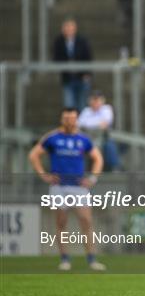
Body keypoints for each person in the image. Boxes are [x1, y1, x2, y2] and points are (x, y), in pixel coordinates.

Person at [28, 108, 106, 271]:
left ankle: (92, 259)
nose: (70, 121)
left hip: (79, 187)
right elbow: (34, 155)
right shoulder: (53, 138)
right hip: (59, 187)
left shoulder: (83, 139)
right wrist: (44, 175)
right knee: (61, 222)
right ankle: (65, 259)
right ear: (62, 119)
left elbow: (97, 158)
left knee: (86, 222)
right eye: (67, 118)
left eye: (73, 118)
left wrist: (92, 178)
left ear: (76, 119)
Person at [52, 18, 93, 112]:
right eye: (66, 28)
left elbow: (88, 57)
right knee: (69, 105)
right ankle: (70, 125)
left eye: (71, 28)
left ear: (75, 29)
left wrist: (87, 73)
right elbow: (56, 58)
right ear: (63, 29)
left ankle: (80, 125)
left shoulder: (82, 41)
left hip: (81, 77)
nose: (68, 30)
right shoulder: (59, 42)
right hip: (68, 78)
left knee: (82, 104)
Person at [78, 91, 121, 172]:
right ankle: (80, 171)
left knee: (110, 145)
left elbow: (105, 124)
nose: (95, 102)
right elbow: (79, 125)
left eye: (97, 100)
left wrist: (89, 125)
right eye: (93, 100)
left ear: (102, 101)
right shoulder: (86, 110)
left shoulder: (107, 109)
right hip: (87, 138)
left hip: (103, 138)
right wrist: (96, 125)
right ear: (89, 101)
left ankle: (114, 169)